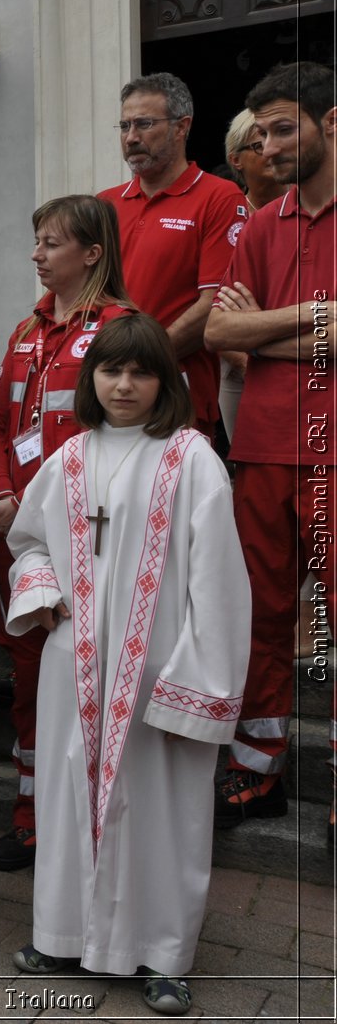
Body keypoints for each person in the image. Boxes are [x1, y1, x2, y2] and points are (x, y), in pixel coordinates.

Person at [4, 315, 248, 1016]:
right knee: (66, 794)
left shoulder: (190, 457)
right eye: (111, 370)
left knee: (164, 809)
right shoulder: (69, 458)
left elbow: (220, 579)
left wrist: (195, 683)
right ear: (92, 378)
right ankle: (61, 934)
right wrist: (42, 590)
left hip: (157, 670)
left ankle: (164, 953)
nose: (124, 384)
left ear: (165, 382)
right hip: (74, 664)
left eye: (141, 372)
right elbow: (28, 542)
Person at [0, 195, 136, 871]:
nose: (37, 255)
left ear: (92, 253)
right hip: (17, 539)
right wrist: (3, 492)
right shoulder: (25, 328)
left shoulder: (122, 329)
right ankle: (32, 814)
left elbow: (128, 439)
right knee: (28, 679)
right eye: (36, 242)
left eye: (50, 243)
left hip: (84, 540)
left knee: (87, 679)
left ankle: (93, 818)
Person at [204, 61, 337, 829]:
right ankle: (257, 769)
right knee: (258, 612)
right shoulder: (259, 223)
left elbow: (247, 331)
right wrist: (317, 317)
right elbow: (222, 333)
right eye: (262, 133)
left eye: (285, 127)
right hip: (258, 447)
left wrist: (270, 326)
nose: (270, 144)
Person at [97, 73, 248, 439]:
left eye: (145, 124)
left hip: (178, 400)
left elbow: (215, 305)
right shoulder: (104, 204)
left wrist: (136, 366)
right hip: (104, 399)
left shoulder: (219, 197)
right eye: (125, 125)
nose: (131, 137)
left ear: (182, 127)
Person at [219, 108, 289, 442]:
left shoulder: (310, 209)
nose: (272, 149)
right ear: (236, 160)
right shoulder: (227, 218)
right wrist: (249, 361)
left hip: (310, 364)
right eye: (258, 144)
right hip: (238, 369)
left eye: (278, 137)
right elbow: (221, 312)